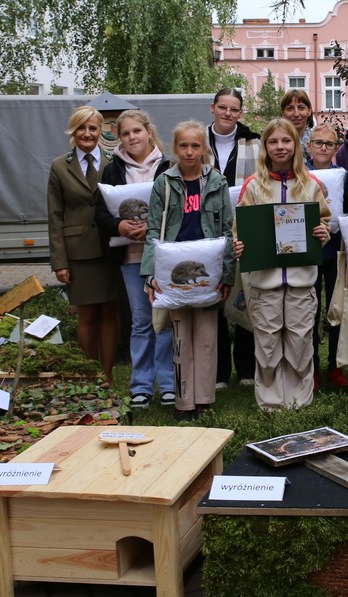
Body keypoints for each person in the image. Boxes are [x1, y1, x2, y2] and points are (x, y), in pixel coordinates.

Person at [232, 118, 331, 410]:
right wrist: (239, 244)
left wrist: (323, 233)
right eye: (273, 141)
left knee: (301, 340)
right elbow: (240, 229)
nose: (280, 147)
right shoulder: (253, 185)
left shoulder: (310, 184)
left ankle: (299, 400)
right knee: (267, 340)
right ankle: (272, 402)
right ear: (265, 147)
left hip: (301, 279)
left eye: (286, 141)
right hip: (265, 280)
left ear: (296, 145)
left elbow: (323, 221)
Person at [141, 120, 235, 421]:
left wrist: (228, 274)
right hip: (174, 271)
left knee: (207, 337)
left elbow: (226, 230)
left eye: (196, 146)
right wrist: (150, 274)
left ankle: (205, 399)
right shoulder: (164, 183)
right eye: (184, 146)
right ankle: (184, 401)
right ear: (175, 148)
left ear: (204, 149)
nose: (190, 151)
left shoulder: (217, 183)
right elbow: (153, 229)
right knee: (181, 336)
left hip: (208, 270)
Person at [95, 109, 175, 409]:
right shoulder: (111, 170)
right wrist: (119, 226)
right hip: (130, 257)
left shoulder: (168, 167)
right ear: (120, 138)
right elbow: (99, 212)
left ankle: (168, 383)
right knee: (141, 322)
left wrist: (152, 227)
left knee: (164, 320)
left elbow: (176, 207)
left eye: (136, 132)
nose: (132, 138)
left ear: (148, 132)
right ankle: (141, 384)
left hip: (162, 257)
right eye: (125, 134)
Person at [47, 105, 124, 384]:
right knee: (87, 314)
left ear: (101, 131)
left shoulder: (114, 162)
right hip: (78, 251)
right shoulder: (59, 166)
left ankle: (107, 375)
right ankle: (89, 375)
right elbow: (54, 216)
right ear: (73, 131)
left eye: (93, 128)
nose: (87, 133)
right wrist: (60, 262)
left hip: (110, 248)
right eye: (82, 127)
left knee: (110, 312)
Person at [207, 88, 261, 390]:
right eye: (223, 108)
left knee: (244, 293)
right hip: (208, 228)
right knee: (214, 297)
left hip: (244, 225)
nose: (228, 114)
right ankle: (217, 372)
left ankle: (246, 367)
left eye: (234, 110)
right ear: (212, 108)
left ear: (240, 113)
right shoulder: (199, 140)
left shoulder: (253, 142)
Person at [306, 123, 348, 390]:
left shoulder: (345, 177)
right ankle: (311, 368)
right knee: (309, 310)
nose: (323, 148)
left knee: (337, 309)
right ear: (309, 146)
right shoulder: (298, 174)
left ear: (337, 149)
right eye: (318, 143)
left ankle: (335, 367)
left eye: (329, 144)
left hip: (337, 252)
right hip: (307, 252)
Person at [280, 89, 314, 161]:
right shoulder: (275, 141)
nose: (296, 114)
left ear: (309, 111)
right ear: (282, 112)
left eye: (301, 108)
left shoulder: (317, 140)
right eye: (290, 108)